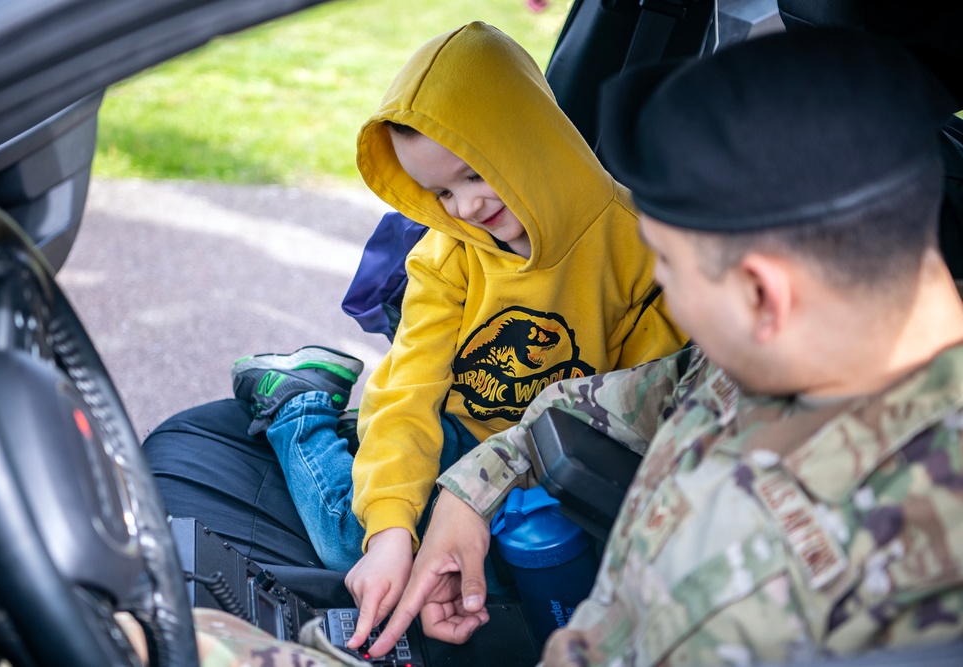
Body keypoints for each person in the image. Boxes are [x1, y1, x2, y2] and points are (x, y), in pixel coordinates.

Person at [356, 29, 963, 665]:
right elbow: (595, 403)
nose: (660, 281)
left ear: (762, 295)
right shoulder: (729, 367)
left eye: (669, 266)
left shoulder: (905, 582)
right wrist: (464, 497)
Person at [144, 18, 686, 651]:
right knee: (359, 543)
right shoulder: (450, 253)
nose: (463, 208)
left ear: (533, 137)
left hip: (557, 467)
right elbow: (408, 394)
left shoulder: (640, 249)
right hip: (461, 437)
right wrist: (392, 535)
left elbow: (642, 406)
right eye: (440, 192)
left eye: (476, 175)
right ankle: (298, 404)